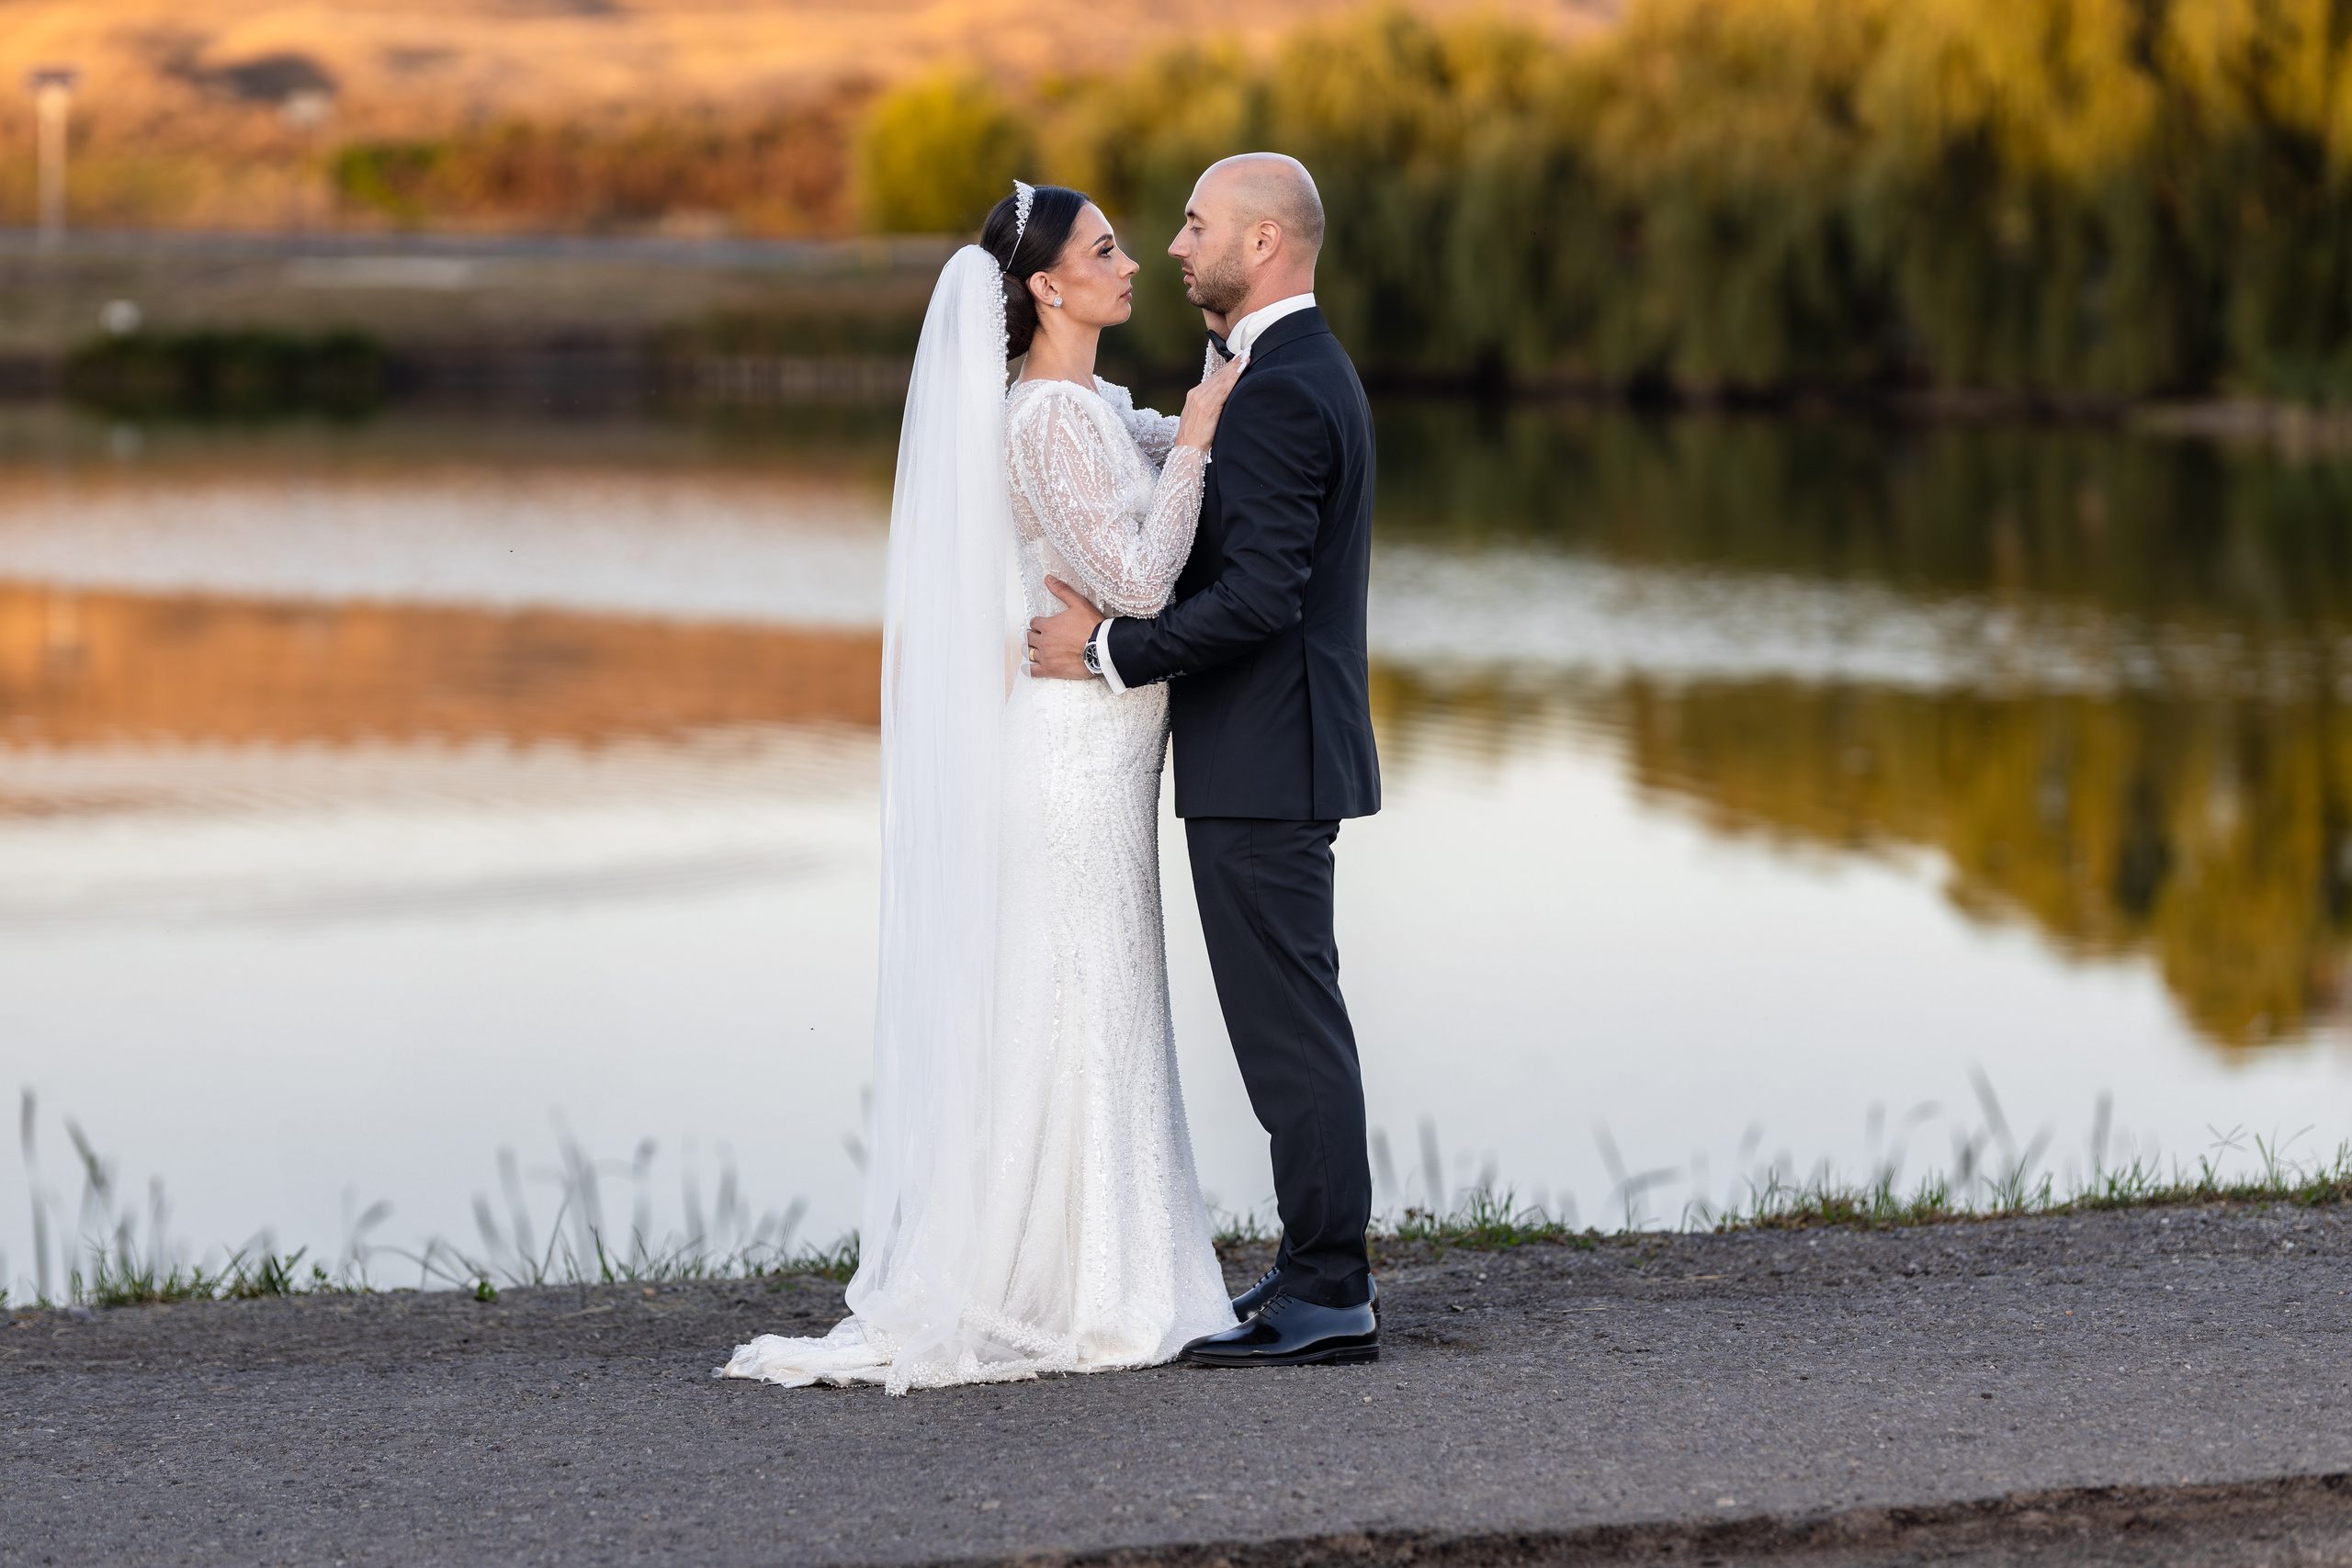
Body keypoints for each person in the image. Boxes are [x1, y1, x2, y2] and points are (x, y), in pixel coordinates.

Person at [717, 181, 1248, 1393]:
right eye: (1105, 250)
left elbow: (1162, 461)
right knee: (1084, 993)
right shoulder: (1046, 421)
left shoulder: (1086, 407)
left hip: (1102, 744)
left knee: (1100, 994)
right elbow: (1141, 584)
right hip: (1069, 754)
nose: (1130, 262)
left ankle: (1101, 1269)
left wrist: (1203, 414)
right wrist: (1197, 441)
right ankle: (1085, 1289)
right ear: (1047, 286)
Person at [1026, 153, 1383, 1369]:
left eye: (1194, 226)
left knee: (1290, 1035)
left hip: (1267, 756)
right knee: (1292, 1023)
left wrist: (1108, 651)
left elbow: (1262, 596)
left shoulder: (1279, 388)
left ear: (1264, 243)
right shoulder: (1280, 369)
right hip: (1273, 751)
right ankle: (1317, 1267)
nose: (1175, 248)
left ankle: (1329, 1291)